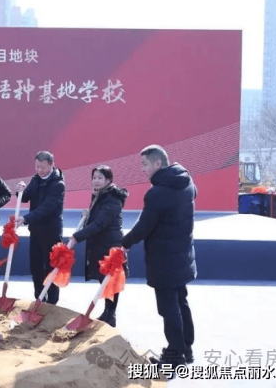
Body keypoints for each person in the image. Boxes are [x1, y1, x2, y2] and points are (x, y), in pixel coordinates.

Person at [121, 145, 197, 368]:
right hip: (183, 254)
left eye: (145, 164)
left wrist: (125, 243)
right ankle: (186, 350)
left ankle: (174, 357)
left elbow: (144, 226)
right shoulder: (187, 182)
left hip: (164, 259)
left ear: (158, 163)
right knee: (181, 302)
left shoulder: (157, 193)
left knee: (168, 308)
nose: (143, 169)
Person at [67, 165, 129, 326]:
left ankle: (111, 315)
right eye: (94, 178)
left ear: (108, 180)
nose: (96, 181)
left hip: (111, 246)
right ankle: (107, 313)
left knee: (111, 282)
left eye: (100, 178)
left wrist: (77, 237)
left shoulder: (113, 198)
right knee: (104, 281)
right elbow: (95, 220)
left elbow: (100, 223)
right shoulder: (99, 195)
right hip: (101, 244)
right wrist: (88, 216)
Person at [15, 151, 65, 305]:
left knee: (51, 268)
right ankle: (39, 299)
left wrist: (26, 218)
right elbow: (25, 197)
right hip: (36, 231)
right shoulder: (35, 179)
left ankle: (52, 302)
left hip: (51, 232)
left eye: (42, 167)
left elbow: (46, 208)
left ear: (52, 165)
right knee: (36, 267)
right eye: (37, 167)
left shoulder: (58, 184)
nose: (39, 170)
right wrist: (20, 190)